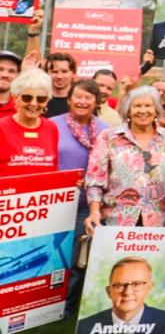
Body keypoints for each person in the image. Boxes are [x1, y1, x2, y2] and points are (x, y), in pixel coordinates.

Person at [84, 86, 165, 230]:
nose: (143, 111)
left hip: (156, 224)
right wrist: (94, 212)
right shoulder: (109, 137)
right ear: (128, 111)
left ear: (156, 110)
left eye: (148, 106)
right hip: (115, 221)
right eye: (137, 106)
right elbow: (94, 181)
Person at [73, 256, 165, 334]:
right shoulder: (83, 328)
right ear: (109, 291)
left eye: (137, 284)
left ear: (149, 288)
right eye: (120, 285)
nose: (127, 292)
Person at [53, 79, 111, 233]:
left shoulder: (106, 131)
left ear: (97, 102)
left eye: (88, 97)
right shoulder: (52, 125)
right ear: (69, 99)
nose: (82, 102)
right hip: (56, 201)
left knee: (80, 251)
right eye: (78, 96)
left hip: (89, 204)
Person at [0, 69, 59, 175]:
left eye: (41, 99)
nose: (33, 103)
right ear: (15, 97)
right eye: (27, 97)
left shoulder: (51, 128)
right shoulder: (1, 127)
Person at [43, 51, 77, 117]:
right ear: (46, 74)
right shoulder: (39, 100)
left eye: (64, 71)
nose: (59, 76)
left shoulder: (81, 102)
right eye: (54, 72)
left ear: (73, 73)